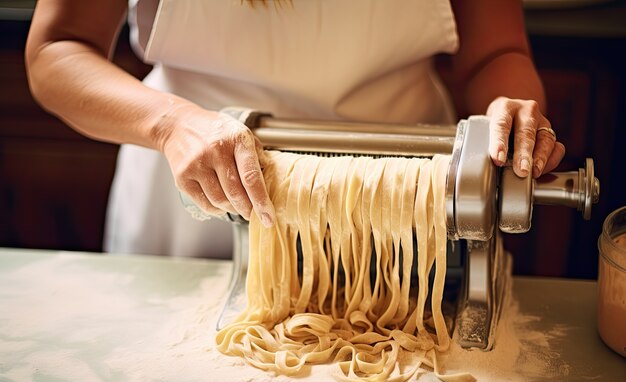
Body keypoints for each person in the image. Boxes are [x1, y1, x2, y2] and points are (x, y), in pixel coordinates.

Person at [25, 0, 565, 259]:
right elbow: (57, 50)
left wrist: (509, 107)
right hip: (197, 195)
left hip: (402, 203)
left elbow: (495, 49)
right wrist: (170, 124)